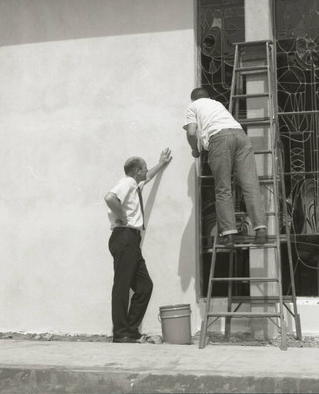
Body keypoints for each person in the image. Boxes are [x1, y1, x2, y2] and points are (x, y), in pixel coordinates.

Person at [183, 87, 267, 245]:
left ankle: (229, 234)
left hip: (220, 139)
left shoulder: (193, 106)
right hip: (241, 136)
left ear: (193, 100)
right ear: (208, 96)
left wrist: (195, 150)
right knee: (250, 185)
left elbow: (192, 132)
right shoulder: (216, 104)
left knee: (223, 188)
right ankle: (261, 229)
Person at [104, 149, 172, 343]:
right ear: (136, 170)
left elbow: (147, 177)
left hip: (131, 240)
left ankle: (131, 330)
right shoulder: (126, 183)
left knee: (144, 286)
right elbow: (109, 198)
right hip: (124, 237)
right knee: (122, 286)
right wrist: (122, 217)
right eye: (144, 168)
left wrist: (161, 163)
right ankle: (121, 333)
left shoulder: (134, 183)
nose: (146, 170)